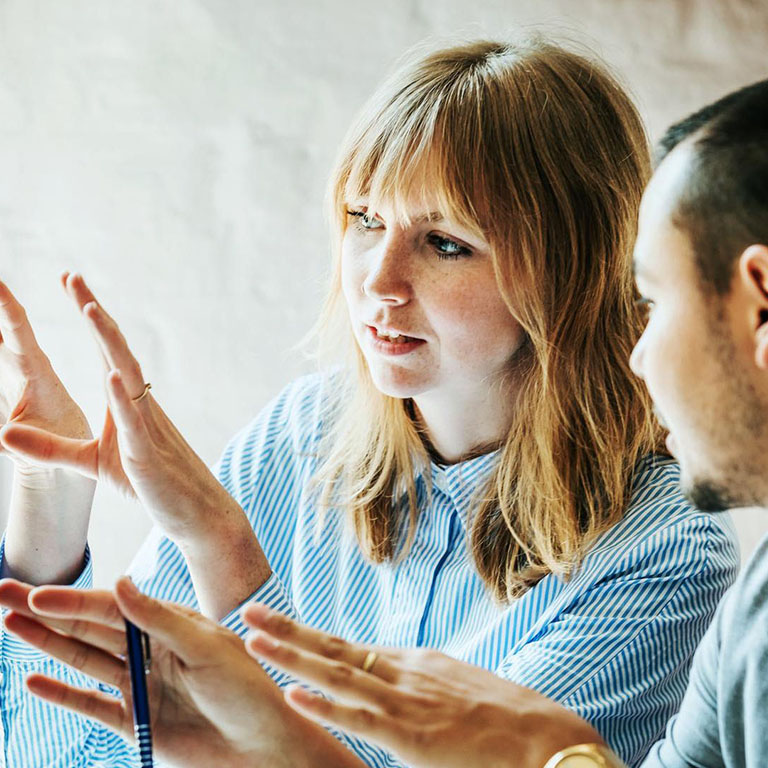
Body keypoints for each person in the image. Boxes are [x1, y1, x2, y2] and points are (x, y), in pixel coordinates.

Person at [0, 39, 739, 767]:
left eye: (445, 242)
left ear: (570, 272)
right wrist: (50, 515)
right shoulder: (301, 434)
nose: (379, 281)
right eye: (365, 220)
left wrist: (223, 549)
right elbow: (83, 753)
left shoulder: (664, 551)